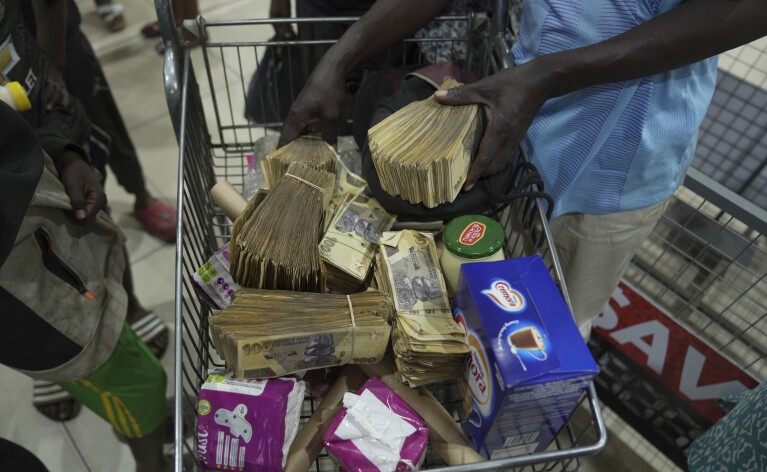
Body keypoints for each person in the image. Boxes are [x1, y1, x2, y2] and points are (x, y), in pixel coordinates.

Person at [279, 0, 767, 340]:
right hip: (510, 133)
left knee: (549, 329)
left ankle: (506, 441)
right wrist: (338, 58)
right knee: (472, 297)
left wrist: (547, 76)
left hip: (617, 162)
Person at [4, 0, 170, 421]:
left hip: (39, 91)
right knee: (28, 280)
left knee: (90, 214)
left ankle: (125, 304)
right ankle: (55, 359)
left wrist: (54, 74)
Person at [0, 102, 173, 472]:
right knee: (140, 382)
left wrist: (61, 151)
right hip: (33, 300)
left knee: (122, 351)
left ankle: (138, 418)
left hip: (52, 249)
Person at [23, 0, 179, 244]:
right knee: (39, 154)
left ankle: (140, 192)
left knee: (105, 126)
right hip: (11, 70)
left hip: (57, 41)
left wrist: (52, 67)